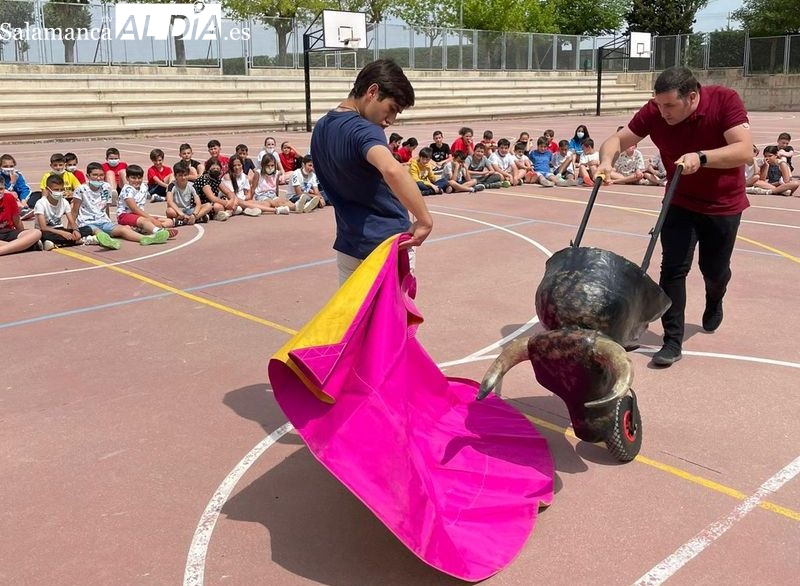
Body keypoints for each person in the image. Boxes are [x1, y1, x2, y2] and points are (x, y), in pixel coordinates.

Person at [598, 66, 753, 367]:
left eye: (669, 105)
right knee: (672, 269)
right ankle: (672, 340)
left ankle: (715, 296)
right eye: (659, 104)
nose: (663, 112)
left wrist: (702, 157)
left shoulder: (724, 100)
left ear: (692, 97)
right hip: (679, 200)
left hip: (723, 204)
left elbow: (744, 150)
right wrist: (606, 161)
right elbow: (618, 140)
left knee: (714, 269)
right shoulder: (655, 111)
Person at [309, 58, 433, 285]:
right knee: (392, 319)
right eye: (392, 109)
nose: (390, 120)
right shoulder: (365, 130)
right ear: (372, 91)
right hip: (385, 244)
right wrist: (425, 220)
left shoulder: (321, 127)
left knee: (353, 318)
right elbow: (392, 169)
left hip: (349, 242)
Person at [73, 162, 162, 246]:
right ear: (88, 176)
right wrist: (72, 228)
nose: (98, 178)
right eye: (95, 175)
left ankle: (146, 238)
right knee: (97, 231)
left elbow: (106, 206)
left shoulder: (106, 187)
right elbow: (75, 210)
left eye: (101, 175)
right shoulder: (81, 189)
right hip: (87, 223)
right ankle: (107, 241)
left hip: (103, 221)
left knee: (123, 229)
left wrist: (108, 220)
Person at [34, 174, 116, 250]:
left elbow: (72, 222)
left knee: (87, 228)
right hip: (47, 232)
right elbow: (43, 227)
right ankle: (84, 240)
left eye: (61, 189)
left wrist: (75, 230)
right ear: (48, 189)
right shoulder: (41, 203)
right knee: (44, 235)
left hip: (60, 229)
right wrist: (62, 233)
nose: (59, 192)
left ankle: (58, 243)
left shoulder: (64, 202)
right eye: (56, 190)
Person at [116, 164, 175, 238]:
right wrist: (151, 219)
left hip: (138, 216)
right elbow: (134, 209)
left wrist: (153, 220)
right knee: (146, 221)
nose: (137, 180)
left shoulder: (143, 187)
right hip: (125, 215)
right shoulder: (128, 190)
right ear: (127, 178)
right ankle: (159, 232)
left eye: (139, 178)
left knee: (169, 221)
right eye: (133, 178)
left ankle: (140, 228)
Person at [0, 190, 41, 256]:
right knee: (25, 241)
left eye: (1, 188)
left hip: (8, 232)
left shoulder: (9, 197)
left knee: (36, 233)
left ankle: (22, 246)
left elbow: (17, 220)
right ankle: (25, 246)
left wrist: (24, 235)